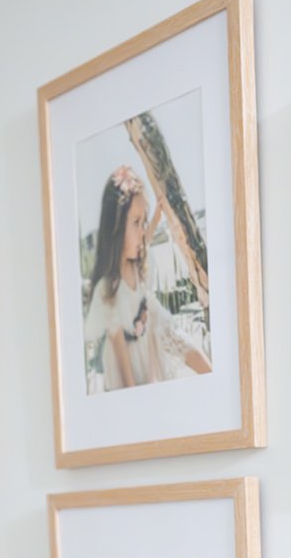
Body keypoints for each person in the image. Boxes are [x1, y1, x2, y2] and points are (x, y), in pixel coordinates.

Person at [82, 164, 212, 392]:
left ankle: (215, 379)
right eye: (135, 222)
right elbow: (124, 370)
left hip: (151, 329)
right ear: (115, 227)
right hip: (130, 373)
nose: (142, 230)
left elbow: (145, 238)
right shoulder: (109, 291)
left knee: (179, 339)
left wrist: (155, 217)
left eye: (143, 222)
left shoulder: (138, 266)